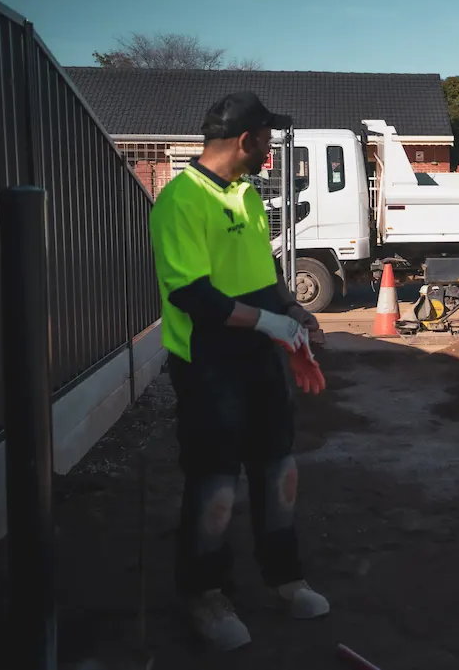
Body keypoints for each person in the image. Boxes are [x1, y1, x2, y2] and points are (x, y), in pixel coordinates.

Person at [149, 91, 330, 652]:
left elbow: (266, 271)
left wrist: (292, 311)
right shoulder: (181, 200)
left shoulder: (246, 197)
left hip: (258, 359)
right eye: (268, 138)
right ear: (247, 139)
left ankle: (285, 575)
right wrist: (266, 325)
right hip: (209, 365)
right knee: (216, 483)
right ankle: (205, 594)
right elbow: (193, 295)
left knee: (280, 470)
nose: (272, 147)